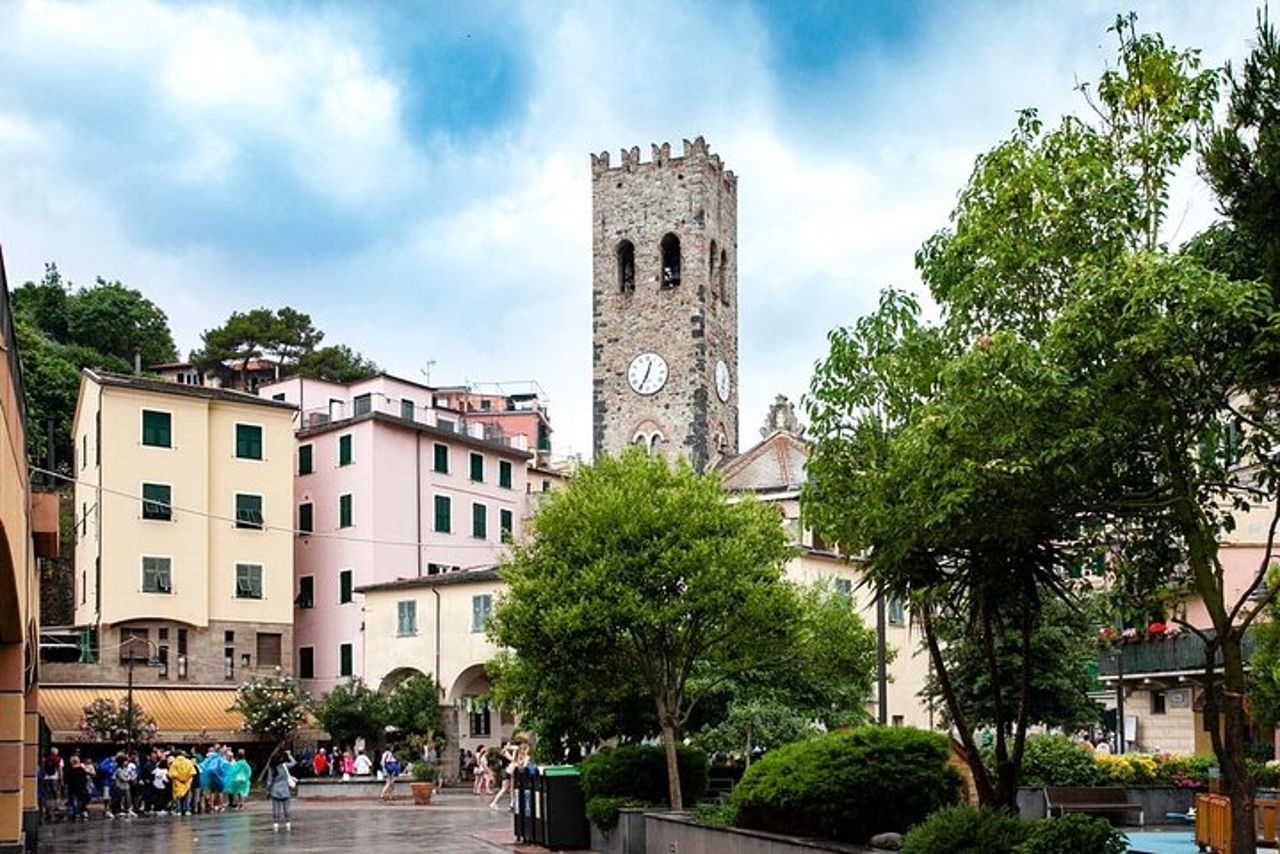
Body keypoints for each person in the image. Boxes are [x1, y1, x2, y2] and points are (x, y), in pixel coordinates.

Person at [267, 750, 296, 832]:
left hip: (275, 790)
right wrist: (289, 755)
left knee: (276, 808)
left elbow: (269, 781)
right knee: (287, 808)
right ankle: (288, 823)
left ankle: (276, 824)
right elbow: (294, 762)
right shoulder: (285, 766)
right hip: (285, 790)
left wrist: (268, 790)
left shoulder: (271, 768)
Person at [489, 741, 518, 810]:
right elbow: (512, 759)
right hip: (506, 770)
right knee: (504, 788)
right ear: (505, 745)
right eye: (508, 744)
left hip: (504, 770)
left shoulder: (503, 751)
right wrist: (514, 752)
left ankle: (511, 803)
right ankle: (494, 803)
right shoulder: (505, 752)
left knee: (509, 787)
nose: (510, 745)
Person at [169, 750, 196, 816]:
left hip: (177, 783)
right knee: (187, 797)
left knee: (178, 797)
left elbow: (171, 774)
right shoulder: (188, 762)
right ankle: (187, 810)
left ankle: (179, 810)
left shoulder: (174, 763)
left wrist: (179, 778)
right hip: (187, 783)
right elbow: (192, 772)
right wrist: (186, 779)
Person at [65, 755, 90, 822]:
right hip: (81, 787)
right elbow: (85, 779)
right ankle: (77, 813)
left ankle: (75, 813)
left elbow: (67, 779)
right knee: (79, 800)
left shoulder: (69, 770)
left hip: (72, 787)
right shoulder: (82, 770)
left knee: (73, 801)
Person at [111, 752, 135, 817]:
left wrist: (129, 778)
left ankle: (128, 809)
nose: (126, 762)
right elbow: (123, 778)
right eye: (125, 761)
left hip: (126, 786)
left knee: (128, 798)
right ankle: (118, 811)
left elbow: (129, 776)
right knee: (119, 798)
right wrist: (128, 779)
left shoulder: (125, 769)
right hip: (119, 786)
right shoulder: (118, 769)